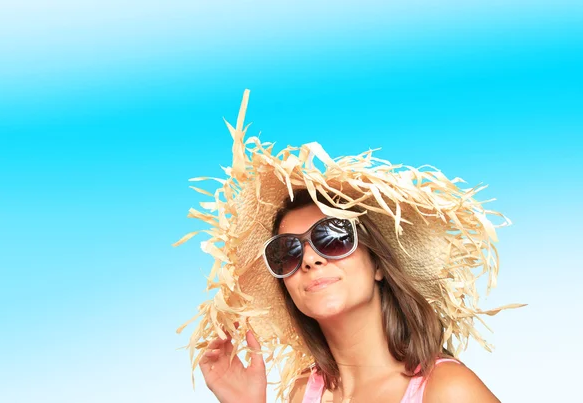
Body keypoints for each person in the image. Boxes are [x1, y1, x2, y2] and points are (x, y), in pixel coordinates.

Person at [175, 90, 522, 402]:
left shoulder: (447, 390)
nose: (310, 259)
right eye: (288, 253)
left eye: (333, 237)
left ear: (379, 264)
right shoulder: (303, 394)